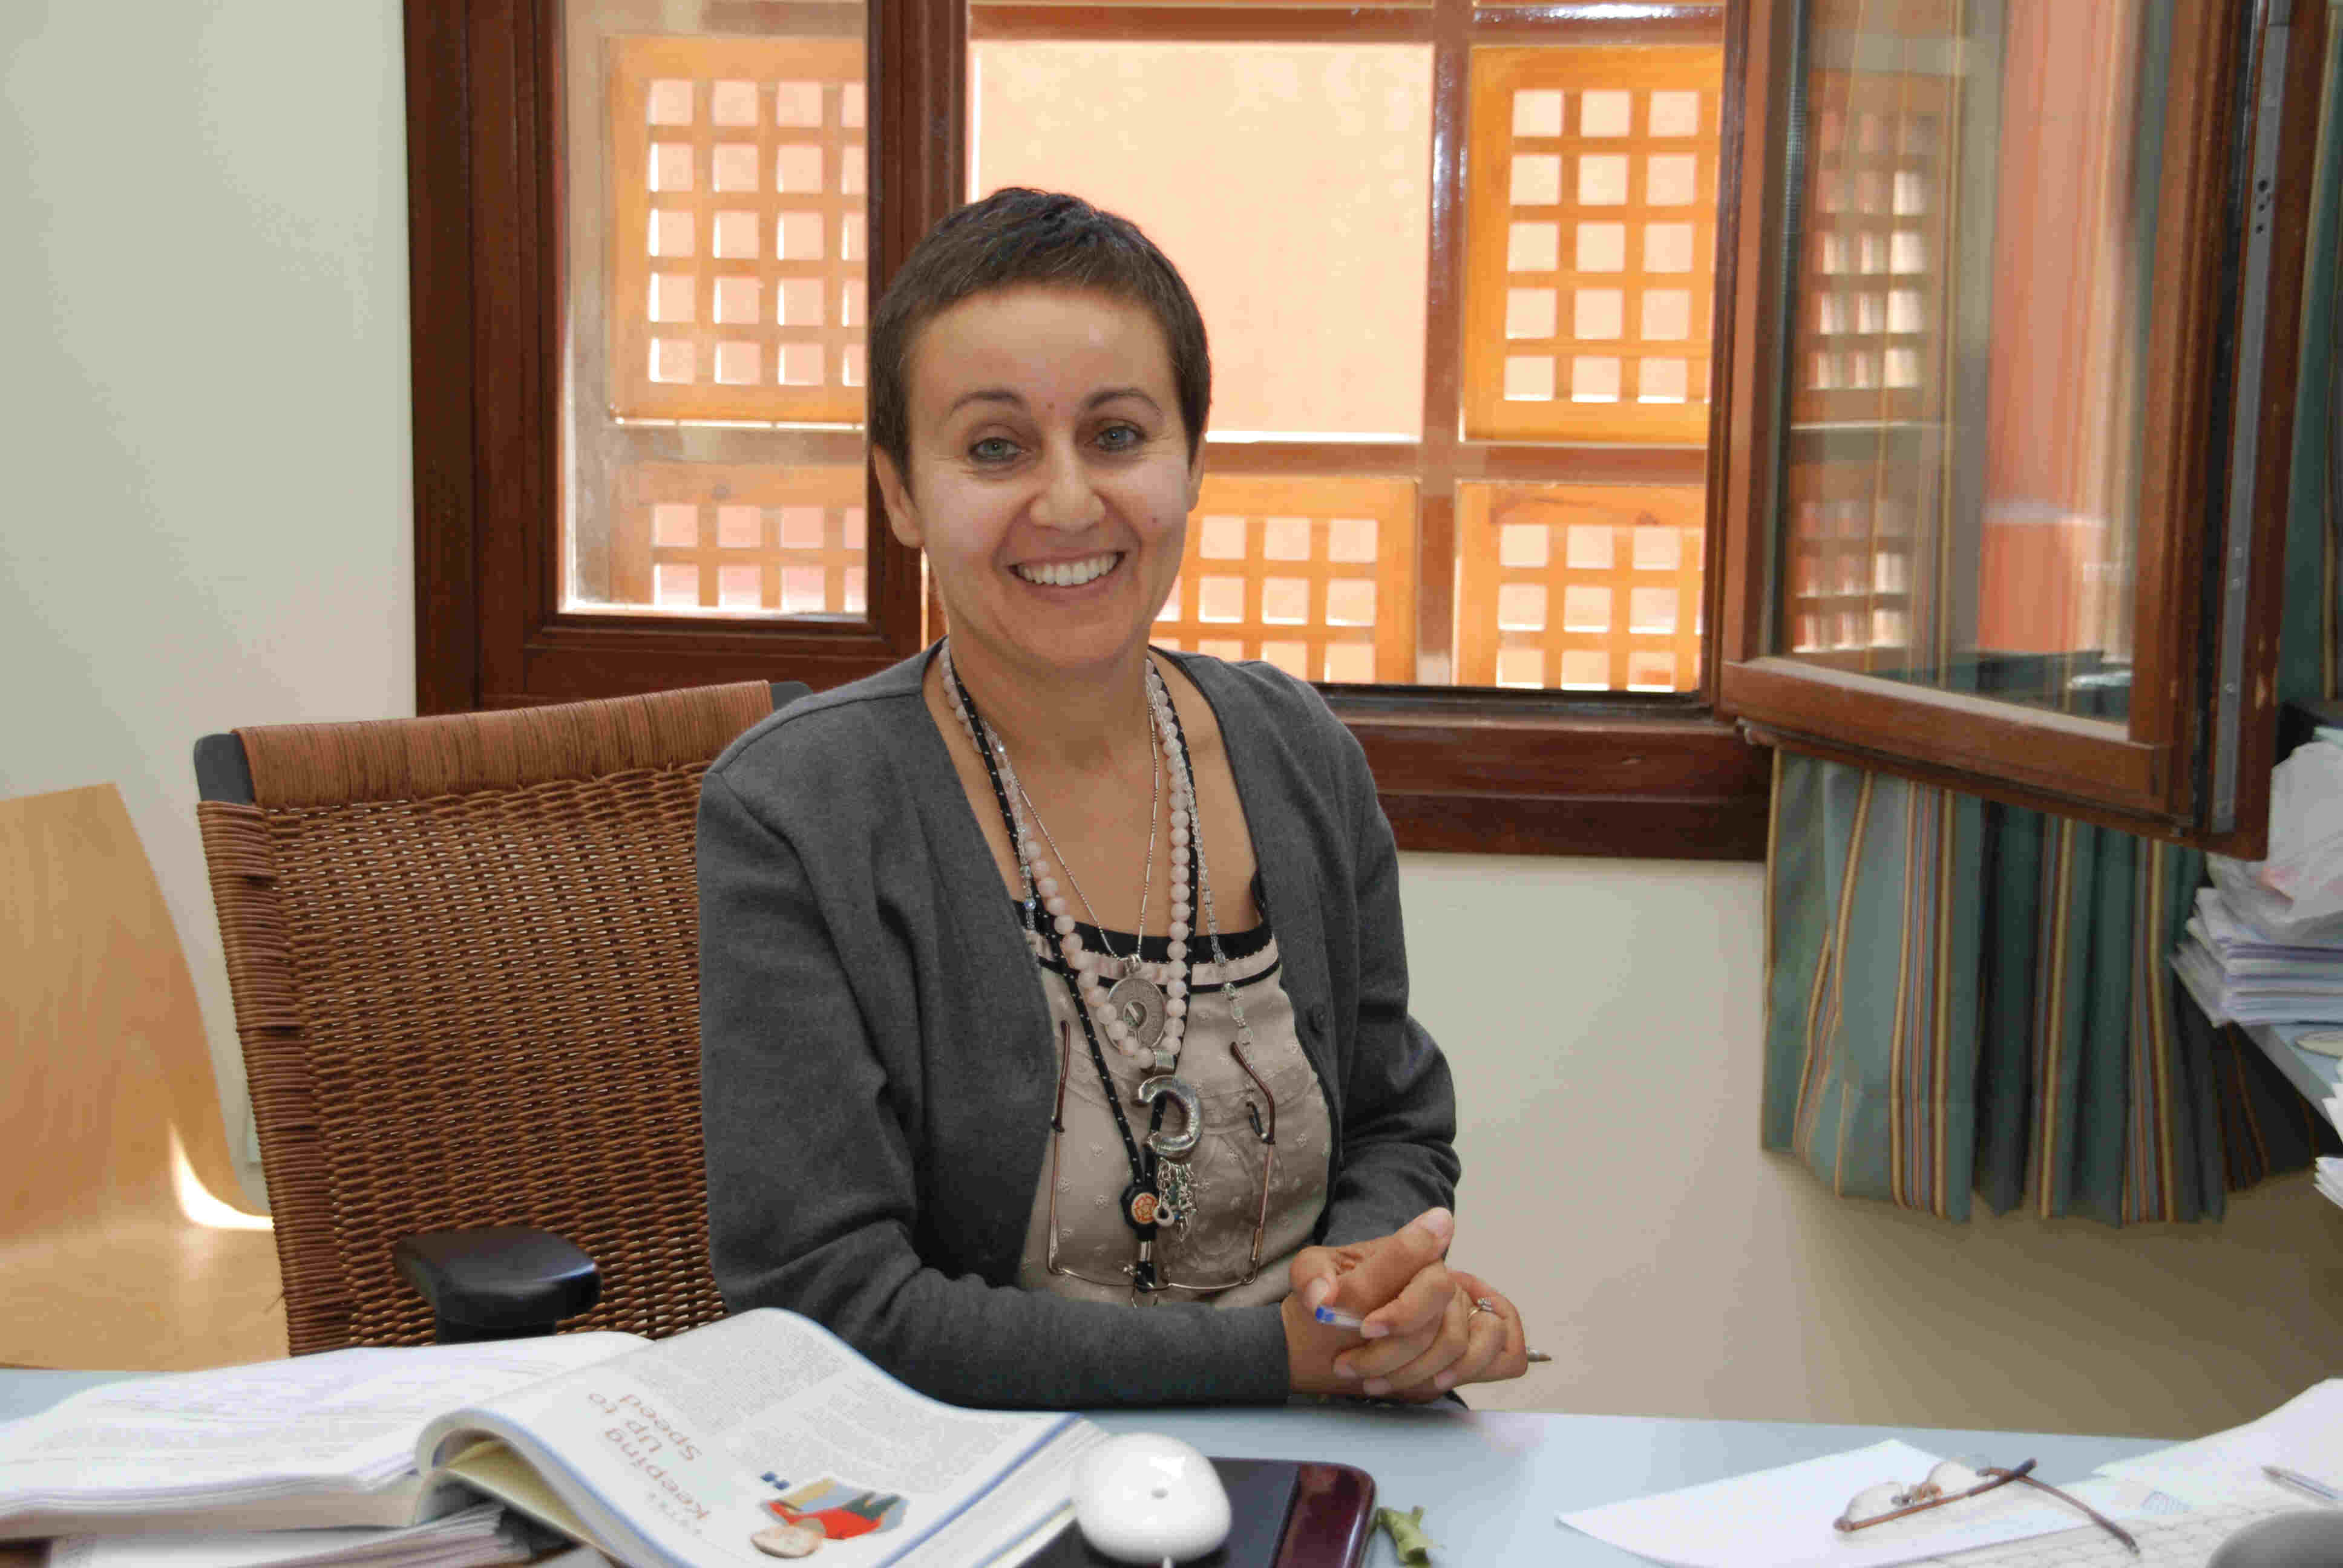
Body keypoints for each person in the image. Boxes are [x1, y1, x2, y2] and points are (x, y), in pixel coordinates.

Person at [698, 188, 1527, 1408]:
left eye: (1118, 436)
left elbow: (1399, 1122)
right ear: (897, 492)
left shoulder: (1295, 750)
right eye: (994, 448)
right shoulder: (801, 808)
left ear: (1191, 461)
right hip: (977, 1484)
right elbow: (825, 1301)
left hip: (1334, 1444)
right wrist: (1272, 1360)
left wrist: (1370, 1299)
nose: (1071, 503)